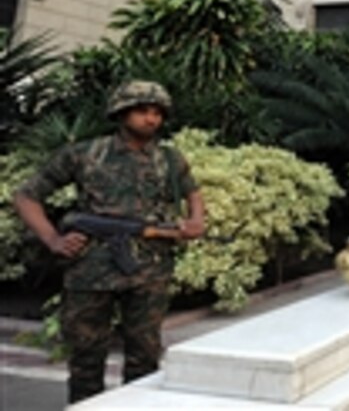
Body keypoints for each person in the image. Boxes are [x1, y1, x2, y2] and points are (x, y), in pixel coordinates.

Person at [13, 81, 205, 404]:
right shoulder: (85, 154)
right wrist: (52, 239)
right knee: (86, 357)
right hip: (90, 270)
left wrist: (196, 220)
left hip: (150, 272)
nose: (152, 119)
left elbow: (193, 192)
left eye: (157, 112)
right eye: (143, 111)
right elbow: (26, 196)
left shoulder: (170, 159)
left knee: (144, 358)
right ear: (121, 112)